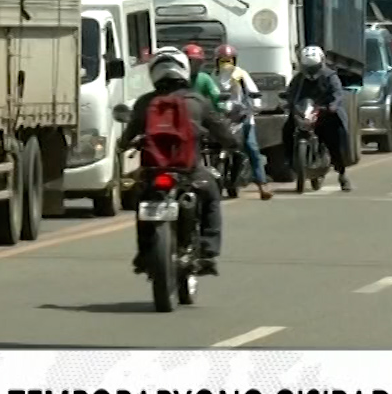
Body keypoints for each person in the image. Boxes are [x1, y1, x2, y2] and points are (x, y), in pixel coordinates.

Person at [117, 47, 235, 275]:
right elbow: (221, 130)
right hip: (189, 169)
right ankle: (208, 253)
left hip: (154, 170)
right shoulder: (196, 101)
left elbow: (129, 133)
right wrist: (232, 144)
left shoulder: (145, 102)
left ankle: (144, 253)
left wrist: (123, 145)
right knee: (211, 195)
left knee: (143, 203)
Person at [282, 45, 352, 192]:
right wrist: (287, 103)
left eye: (314, 67)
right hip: (304, 112)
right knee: (287, 129)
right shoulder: (299, 79)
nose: (311, 71)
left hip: (325, 113)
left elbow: (338, 93)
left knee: (336, 139)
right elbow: (290, 93)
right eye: (308, 67)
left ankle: (342, 174)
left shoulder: (330, 76)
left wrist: (332, 105)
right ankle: (289, 160)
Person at [214, 44, 274, 201]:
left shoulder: (240, 74)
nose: (226, 63)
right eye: (223, 60)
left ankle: (262, 185)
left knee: (252, 148)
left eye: (229, 60)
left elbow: (254, 92)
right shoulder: (213, 77)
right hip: (223, 118)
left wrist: (255, 105)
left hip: (242, 117)